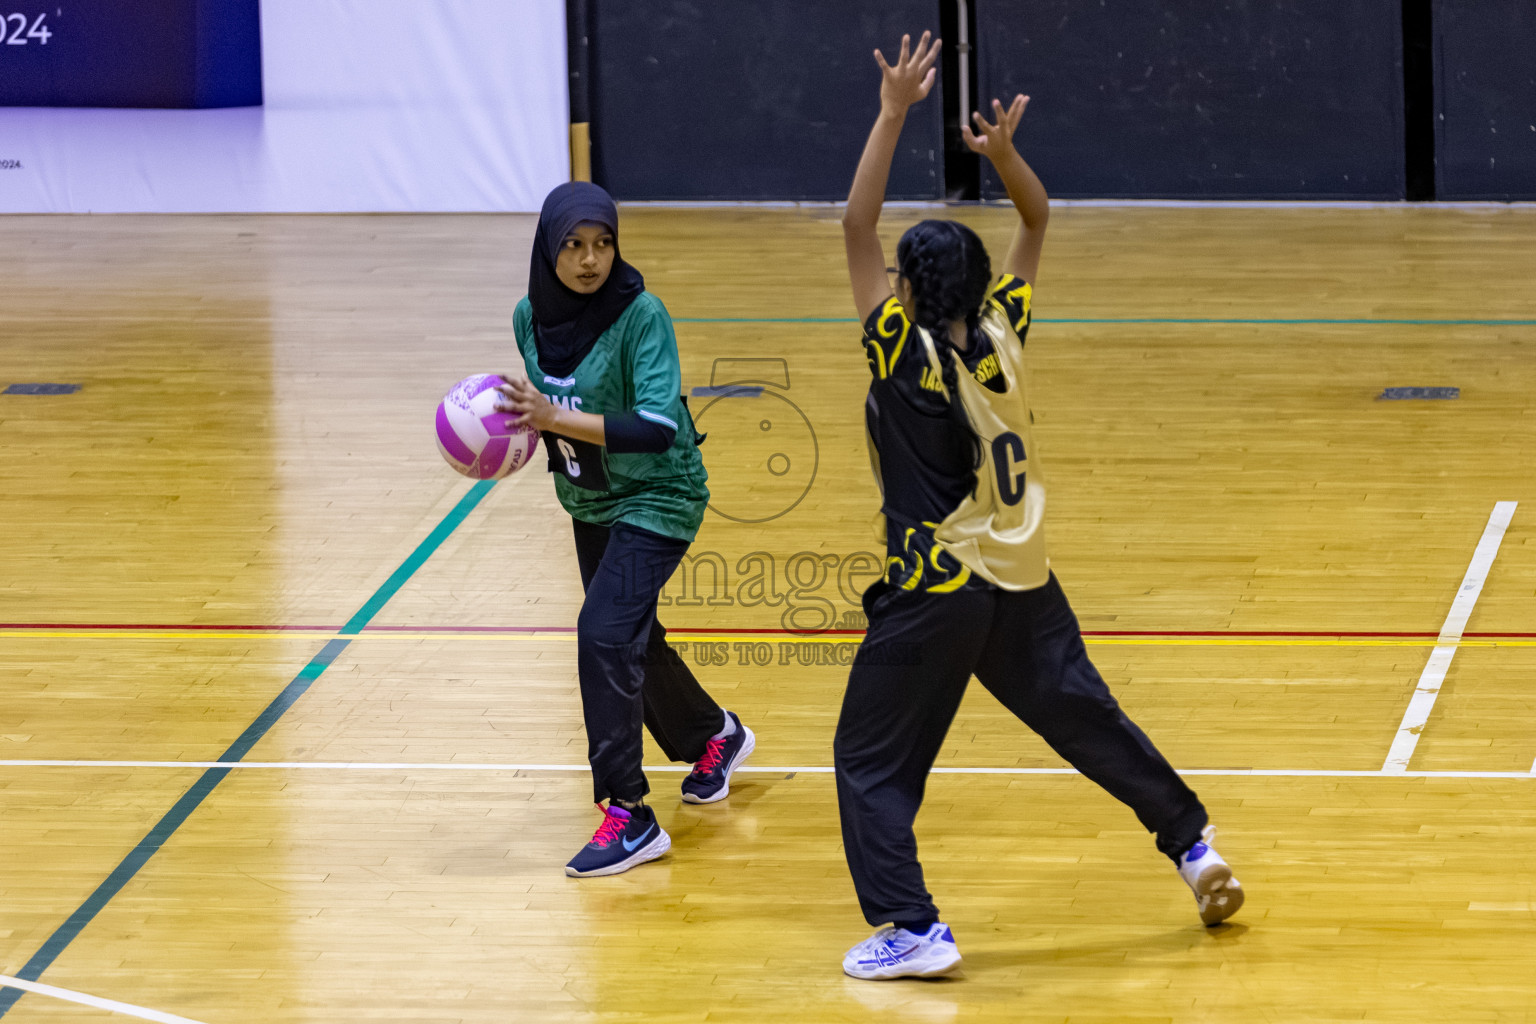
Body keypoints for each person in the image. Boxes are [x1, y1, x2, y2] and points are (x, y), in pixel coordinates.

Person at [833, 33, 1244, 980]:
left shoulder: (905, 350)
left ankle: (912, 927)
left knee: (869, 763)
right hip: (1023, 573)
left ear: (904, 291)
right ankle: (1194, 845)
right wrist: (1006, 158)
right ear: (977, 288)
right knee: (1087, 720)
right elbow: (1039, 217)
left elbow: (856, 227)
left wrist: (894, 110)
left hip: (940, 582)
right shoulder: (1001, 332)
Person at [497, 181, 755, 877]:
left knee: (603, 634)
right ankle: (713, 735)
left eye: (602, 244)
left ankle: (629, 814)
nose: (589, 261)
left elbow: (654, 426)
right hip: (589, 502)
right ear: (549, 249)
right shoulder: (529, 318)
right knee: (632, 635)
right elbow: (548, 408)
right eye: (574, 246)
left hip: (660, 497)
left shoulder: (642, 316)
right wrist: (511, 435)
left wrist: (553, 421)